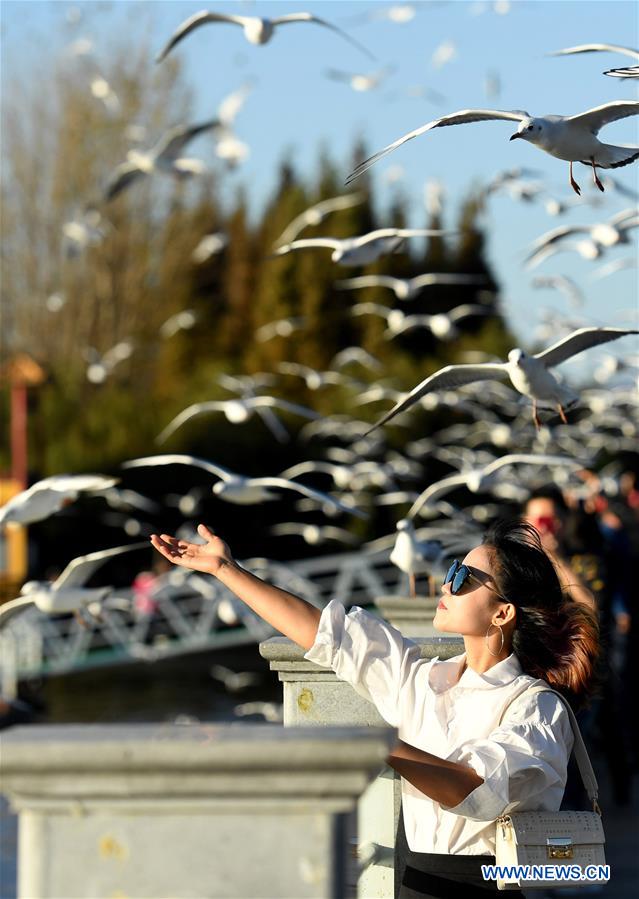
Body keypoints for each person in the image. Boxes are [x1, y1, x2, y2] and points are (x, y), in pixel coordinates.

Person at [150, 519, 599, 899]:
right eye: (452, 569)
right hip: (412, 881)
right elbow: (327, 634)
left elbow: (475, 789)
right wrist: (227, 570)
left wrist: (377, 744)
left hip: (481, 887)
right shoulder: (423, 680)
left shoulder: (535, 708)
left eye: (463, 579)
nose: (446, 583)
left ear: (502, 614)